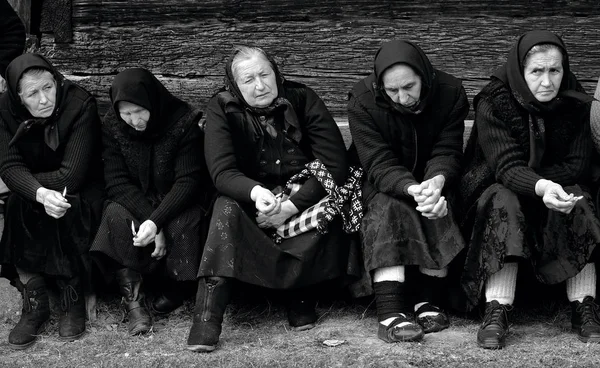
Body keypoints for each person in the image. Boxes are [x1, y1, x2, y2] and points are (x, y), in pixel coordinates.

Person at [187, 46, 360, 352]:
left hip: (303, 192)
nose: (260, 85)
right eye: (249, 80)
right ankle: (207, 313)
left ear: (276, 73)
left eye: (265, 74)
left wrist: (293, 205)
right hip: (252, 198)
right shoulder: (221, 107)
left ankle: (300, 295)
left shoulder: (303, 99)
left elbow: (334, 163)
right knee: (224, 208)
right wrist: (256, 192)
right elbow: (222, 171)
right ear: (235, 86)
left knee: (333, 205)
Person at [459, 30, 600, 349]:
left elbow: (577, 164)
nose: (548, 82)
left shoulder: (574, 98)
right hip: (495, 188)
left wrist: (548, 186)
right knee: (502, 198)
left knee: (577, 194)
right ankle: (498, 306)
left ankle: (584, 304)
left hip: (552, 187)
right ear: (520, 71)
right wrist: (541, 185)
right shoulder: (494, 101)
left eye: (555, 70)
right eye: (537, 71)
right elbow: (506, 167)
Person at [347, 40, 468, 343]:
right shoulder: (362, 101)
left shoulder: (450, 93)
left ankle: (428, 300)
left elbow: (448, 149)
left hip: (433, 177)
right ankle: (390, 312)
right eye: (392, 91)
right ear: (380, 86)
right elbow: (377, 162)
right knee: (391, 208)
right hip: (381, 181)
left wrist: (436, 182)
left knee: (441, 204)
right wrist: (412, 188)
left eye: (409, 87)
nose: (402, 98)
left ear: (424, 77)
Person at [90, 68, 214, 336]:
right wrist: (151, 222)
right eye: (126, 114)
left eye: (139, 111)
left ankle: (178, 287)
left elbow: (188, 183)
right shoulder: (113, 126)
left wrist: (157, 220)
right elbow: (117, 182)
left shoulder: (183, 122)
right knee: (114, 213)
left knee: (185, 221)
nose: (134, 120)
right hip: (137, 199)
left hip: (178, 198)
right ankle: (133, 299)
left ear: (152, 102)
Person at [0, 53, 104, 349]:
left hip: (83, 187)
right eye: (33, 93)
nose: (44, 99)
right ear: (19, 97)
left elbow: (72, 174)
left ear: (57, 81)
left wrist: (33, 187)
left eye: (48, 87)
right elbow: (9, 167)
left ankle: (72, 293)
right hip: (35, 187)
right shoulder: (3, 111)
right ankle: (35, 298)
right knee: (20, 202)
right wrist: (36, 192)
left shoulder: (79, 104)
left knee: (64, 203)